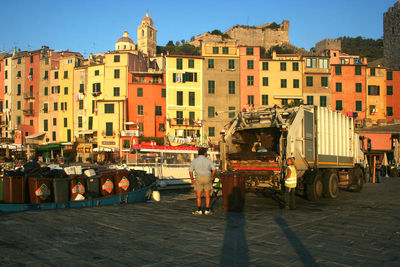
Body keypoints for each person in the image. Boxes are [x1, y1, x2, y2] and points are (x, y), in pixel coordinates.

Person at [189, 147, 216, 215]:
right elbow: (214, 169)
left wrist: (192, 179)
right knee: (207, 195)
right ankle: (207, 210)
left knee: (198, 196)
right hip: (207, 178)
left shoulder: (194, 161)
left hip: (198, 178)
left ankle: (199, 210)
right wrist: (212, 176)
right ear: (205, 153)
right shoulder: (209, 160)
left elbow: (190, 171)